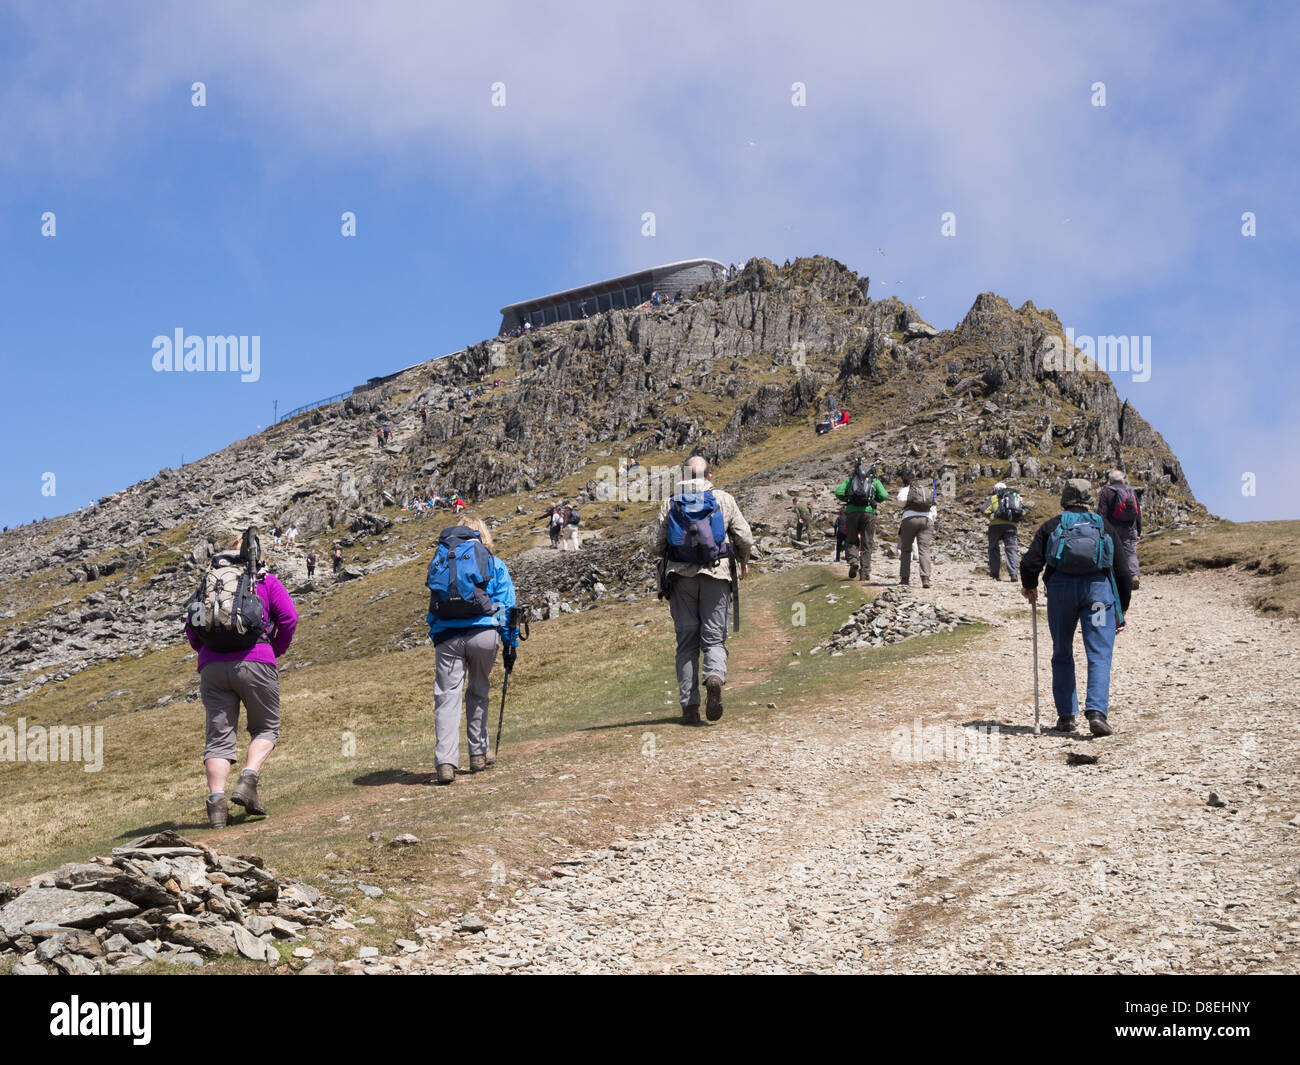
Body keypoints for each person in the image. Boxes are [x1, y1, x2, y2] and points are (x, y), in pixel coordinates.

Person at [185, 531, 298, 827]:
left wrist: (207, 652)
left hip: (212, 667)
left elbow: (191, 627)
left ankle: (216, 804)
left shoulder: (210, 583)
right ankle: (248, 780)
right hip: (255, 660)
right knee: (266, 727)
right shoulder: (263, 581)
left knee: (219, 739)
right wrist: (275, 649)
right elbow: (289, 618)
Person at [650, 456, 753, 725]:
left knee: (686, 645)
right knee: (714, 640)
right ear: (708, 476)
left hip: (680, 579)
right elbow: (744, 536)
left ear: (683, 474)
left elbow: (656, 546)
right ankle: (714, 678)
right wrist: (743, 560)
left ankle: (689, 708)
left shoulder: (671, 503)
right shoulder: (723, 499)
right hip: (717, 575)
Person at [1020, 479, 1123, 737]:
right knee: (1099, 653)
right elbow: (1122, 570)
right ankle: (1097, 713)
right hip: (1098, 594)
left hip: (1061, 592)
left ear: (1064, 498)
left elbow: (1030, 561)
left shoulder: (1053, 525)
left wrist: (1029, 586)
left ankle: (1066, 717)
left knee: (1062, 651)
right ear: (1090, 500)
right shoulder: (1103, 526)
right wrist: (1122, 610)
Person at [426, 516, 517, 784]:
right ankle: (478, 754)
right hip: (483, 634)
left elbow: (435, 600)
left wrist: (436, 632)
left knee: (446, 697)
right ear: (484, 536)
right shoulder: (494, 564)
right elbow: (506, 607)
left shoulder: (445, 560)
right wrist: (510, 642)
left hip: (447, 636)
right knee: (478, 690)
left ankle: (445, 762)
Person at [834, 460, 888, 581]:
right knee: (867, 543)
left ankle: (853, 560)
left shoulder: (851, 479)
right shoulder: (874, 481)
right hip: (869, 513)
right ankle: (864, 573)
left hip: (852, 512)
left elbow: (838, 492)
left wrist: (848, 499)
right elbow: (884, 495)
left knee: (851, 539)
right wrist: (874, 500)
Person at [1099, 470, 1142, 590]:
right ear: (1123, 479)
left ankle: (1112, 578)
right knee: (1131, 553)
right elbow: (1138, 513)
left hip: (1112, 529)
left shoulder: (1106, 492)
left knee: (1111, 552)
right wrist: (1138, 531)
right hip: (1130, 528)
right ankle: (1133, 575)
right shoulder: (1130, 491)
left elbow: (1102, 513)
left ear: (1110, 480)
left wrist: (1101, 529)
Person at [897, 473, 937, 588]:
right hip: (927, 519)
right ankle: (925, 578)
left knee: (906, 549)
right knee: (924, 550)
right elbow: (934, 510)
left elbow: (900, 502)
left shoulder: (907, 489)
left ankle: (905, 579)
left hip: (909, 519)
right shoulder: (927, 490)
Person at [984, 481, 1026, 581]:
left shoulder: (993, 498)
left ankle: (995, 574)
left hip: (995, 526)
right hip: (1011, 526)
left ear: (995, 490)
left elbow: (984, 510)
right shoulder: (1016, 497)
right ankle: (1013, 574)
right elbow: (1022, 512)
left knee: (993, 548)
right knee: (1011, 549)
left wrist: (991, 515)